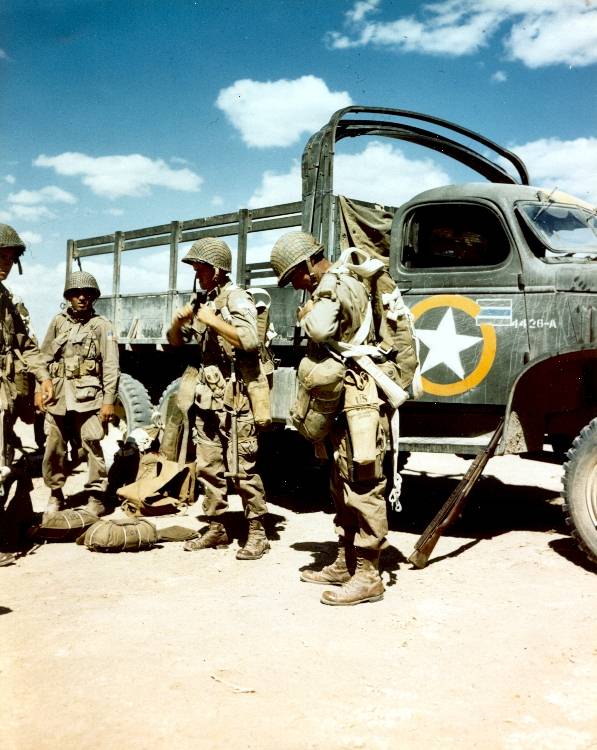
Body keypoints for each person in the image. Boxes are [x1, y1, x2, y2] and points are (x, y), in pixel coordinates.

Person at [270, 231, 398, 606]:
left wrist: (309, 313)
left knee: (362, 482)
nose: (294, 285)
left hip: (356, 396)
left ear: (310, 263)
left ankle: (369, 575)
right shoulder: (345, 281)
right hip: (340, 395)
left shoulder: (331, 285)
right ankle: (346, 561)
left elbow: (321, 330)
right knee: (340, 481)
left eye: (293, 276)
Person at [167, 237, 270, 560]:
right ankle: (217, 527)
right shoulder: (205, 299)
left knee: (242, 467)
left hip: (235, 397)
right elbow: (176, 343)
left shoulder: (237, 298)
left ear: (216, 269)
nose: (197, 275)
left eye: (200, 270)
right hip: (207, 397)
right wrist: (178, 323)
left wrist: (211, 319)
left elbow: (250, 340)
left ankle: (257, 532)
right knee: (209, 466)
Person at [37, 271, 119, 518]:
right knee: (54, 446)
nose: (82, 298)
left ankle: (95, 495)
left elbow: (111, 365)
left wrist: (108, 401)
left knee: (91, 445)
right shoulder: (57, 323)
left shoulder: (102, 326)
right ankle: (56, 494)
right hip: (59, 397)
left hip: (89, 397)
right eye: (76, 293)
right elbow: (42, 359)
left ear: (93, 297)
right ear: (69, 297)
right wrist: (40, 388)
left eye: (87, 294)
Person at [0, 224, 53, 566]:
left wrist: (43, 376)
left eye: (9, 258)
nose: (4, 264)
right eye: (0, 256)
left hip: (3, 395)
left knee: (4, 464)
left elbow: (26, 346)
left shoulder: (6, 299)